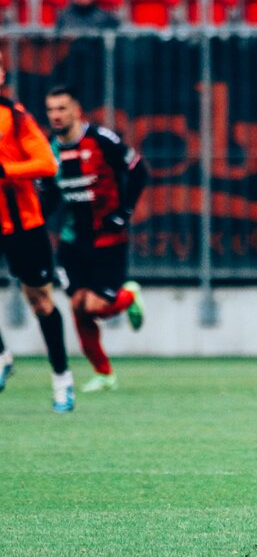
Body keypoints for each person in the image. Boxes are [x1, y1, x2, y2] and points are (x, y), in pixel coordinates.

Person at [44, 85, 149, 393]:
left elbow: (139, 171)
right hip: (72, 240)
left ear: (77, 111)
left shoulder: (102, 140)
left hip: (107, 238)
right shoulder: (50, 150)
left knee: (95, 305)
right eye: (51, 110)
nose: (56, 115)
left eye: (62, 108)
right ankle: (103, 373)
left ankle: (129, 296)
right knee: (78, 305)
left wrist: (124, 212)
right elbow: (50, 194)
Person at [0, 52, 74, 413]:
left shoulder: (14, 117)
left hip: (22, 224)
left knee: (41, 302)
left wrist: (6, 170)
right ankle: (2, 355)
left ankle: (62, 379)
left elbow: (46, 163)